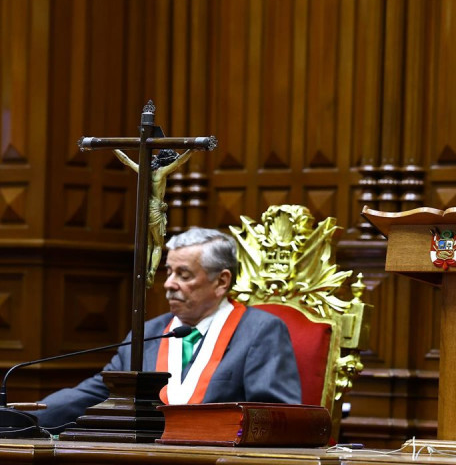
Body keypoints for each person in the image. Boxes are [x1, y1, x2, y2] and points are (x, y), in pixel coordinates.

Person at [34, 228, 301, 431]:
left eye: (184, 275)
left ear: (221, 281)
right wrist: (24, 417)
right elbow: (92, 395)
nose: (169, 284)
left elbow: (276, 419)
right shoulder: (148, 333)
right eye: (169, 271)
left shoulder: (261, 331)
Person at [114, 148, 194, 288]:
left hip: (145, 208)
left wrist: (114, 149)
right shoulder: (161, 172)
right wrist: (192, 150)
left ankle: (144, 271)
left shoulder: (144, 171)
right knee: (157, 244)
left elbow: (125, 160)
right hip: (156, 209)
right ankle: (152, 271)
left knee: (148, 244)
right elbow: (180, 161)